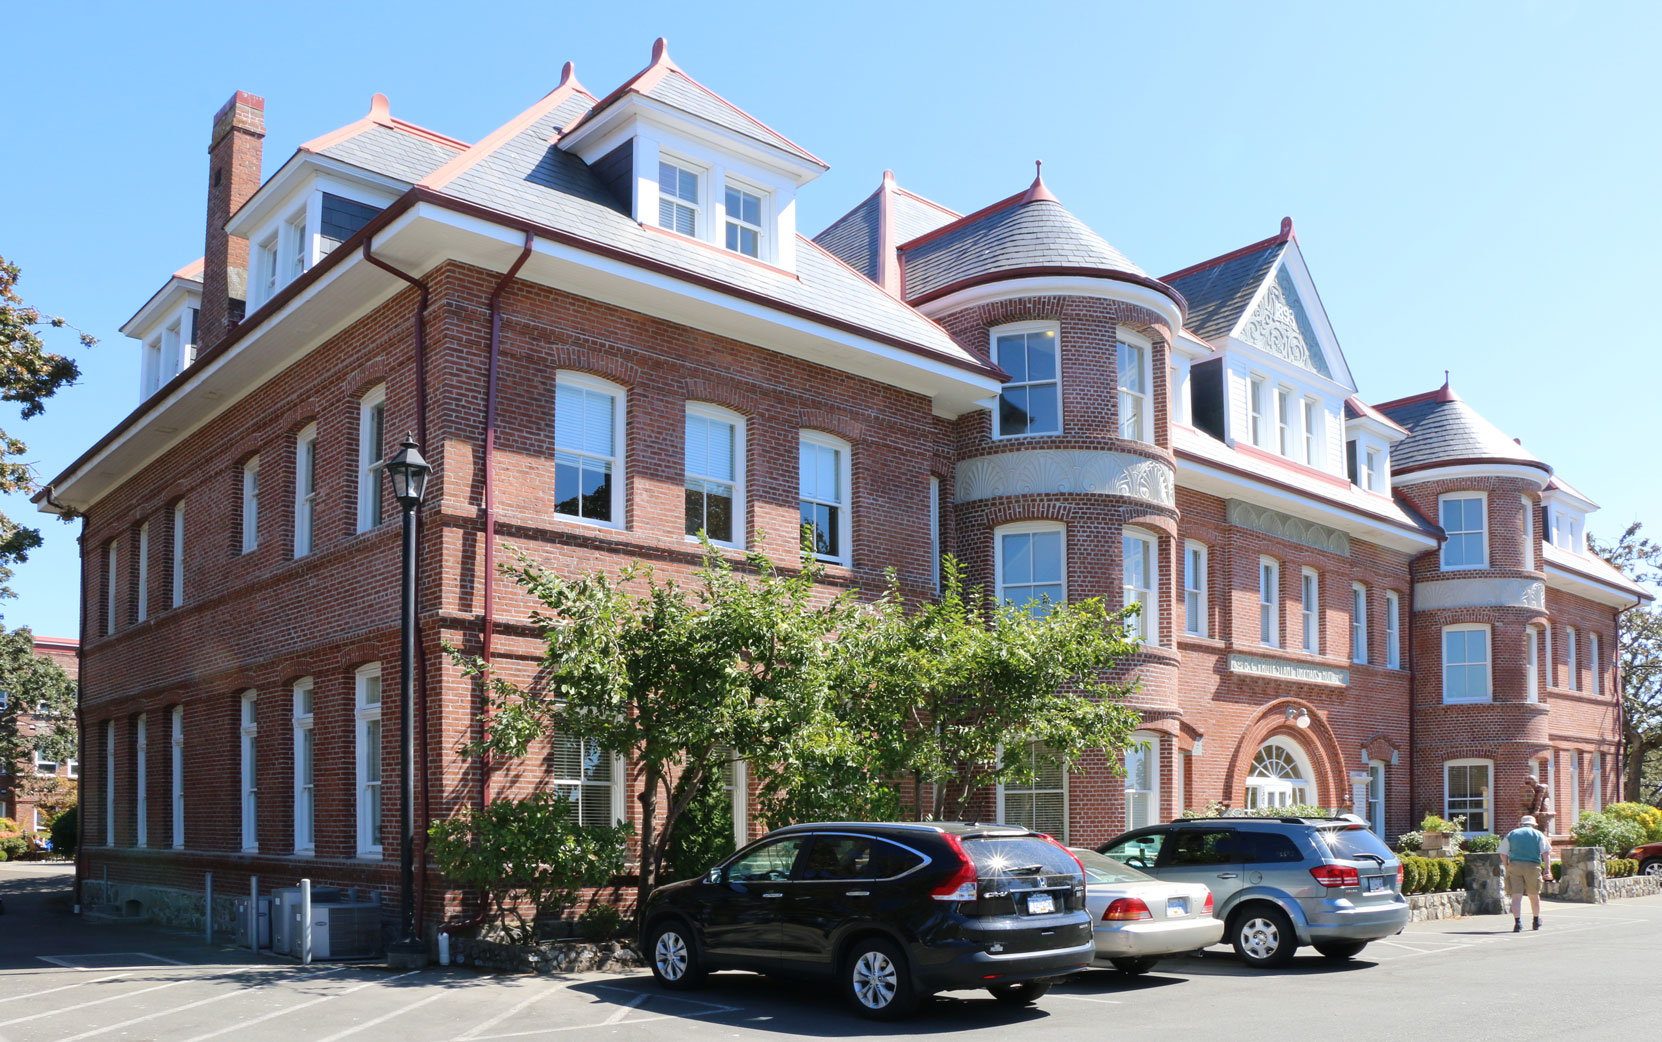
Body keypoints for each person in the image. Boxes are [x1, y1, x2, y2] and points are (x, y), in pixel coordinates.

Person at [1500, 814, 1551, 932]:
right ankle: (1536, 920)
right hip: (1533, 866)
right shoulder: (1538, 834)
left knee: (1516, 897)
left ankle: (1517, 923)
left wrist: (1507, 866)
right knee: (1534, 896)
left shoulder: (1512, 834)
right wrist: (1547, 869)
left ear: (1521, 824)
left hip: (1515, 865)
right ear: (1534, 825)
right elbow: (1546, 853)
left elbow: (1503, 853)